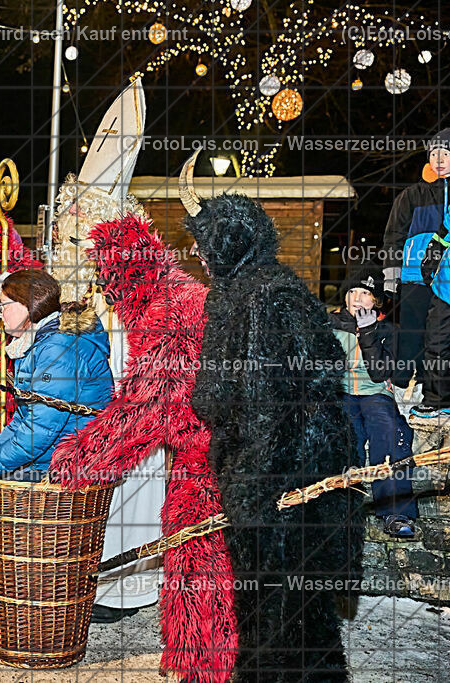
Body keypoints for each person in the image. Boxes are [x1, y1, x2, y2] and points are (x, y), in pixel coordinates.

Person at [185, 191, 363, 680]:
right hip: (277, 467)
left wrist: (256, 484)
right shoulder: (246, 289)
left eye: (205, 242)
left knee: (276, 604)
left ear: (230, 241)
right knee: (293, 605)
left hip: (282, 474)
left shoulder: (265, 296)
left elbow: (278, 401)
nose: (197, 253)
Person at [0, 269, 113, 479]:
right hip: (53, 457)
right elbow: (23, 420)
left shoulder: (58, 350)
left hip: (70, 466)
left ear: (27, 304)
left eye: (3, 306)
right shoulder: (40, 342)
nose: (0, 315)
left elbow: (38, 431)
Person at [331, 265, 418, 537]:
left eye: (365, 293)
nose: (357, 298)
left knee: (390, 432)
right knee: (343, 435)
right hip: (341, 393)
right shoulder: (330, 326)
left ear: (377, 301)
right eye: (352, 292)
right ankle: (339, 511)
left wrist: (368, 333)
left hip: (376, 393)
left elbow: (380, 373)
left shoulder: (388, 331)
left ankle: (396, 512)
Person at [383, 128, 450, 414]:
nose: (439, 159)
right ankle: (399, 389)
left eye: (445, 153)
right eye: (434, 154)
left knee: (438, 337)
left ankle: (429, 390)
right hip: (415, 276)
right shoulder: (412, 195)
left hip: (445, 279)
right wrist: (391, 273)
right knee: (413, 334)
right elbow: (394, 234)